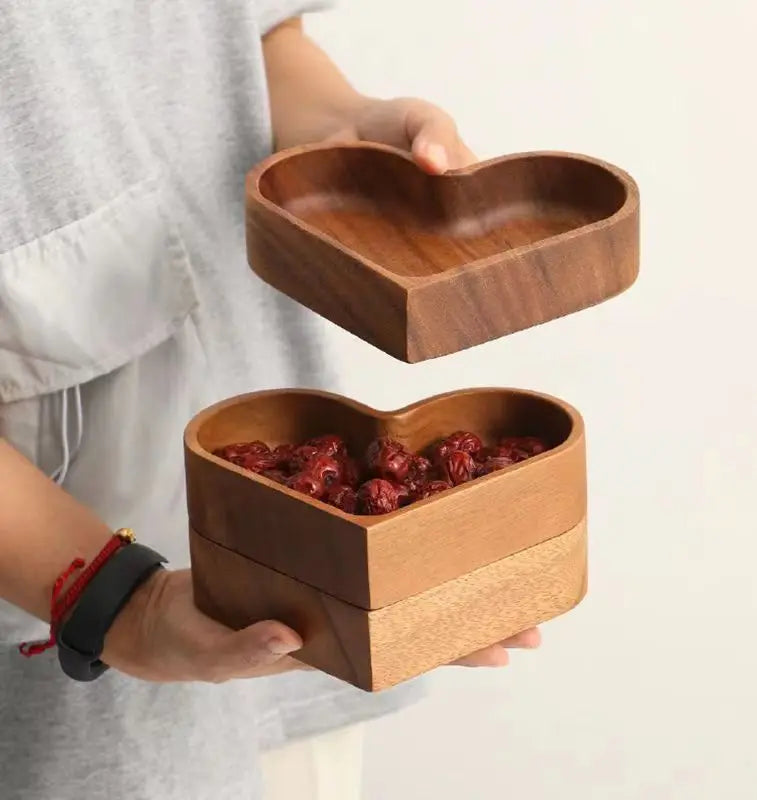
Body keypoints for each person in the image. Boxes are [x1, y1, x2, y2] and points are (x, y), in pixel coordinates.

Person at [0, 3, 541, 799]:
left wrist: (340, 130)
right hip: (66, 644)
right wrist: (121, 606)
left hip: (290, 613)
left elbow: (247, 34)